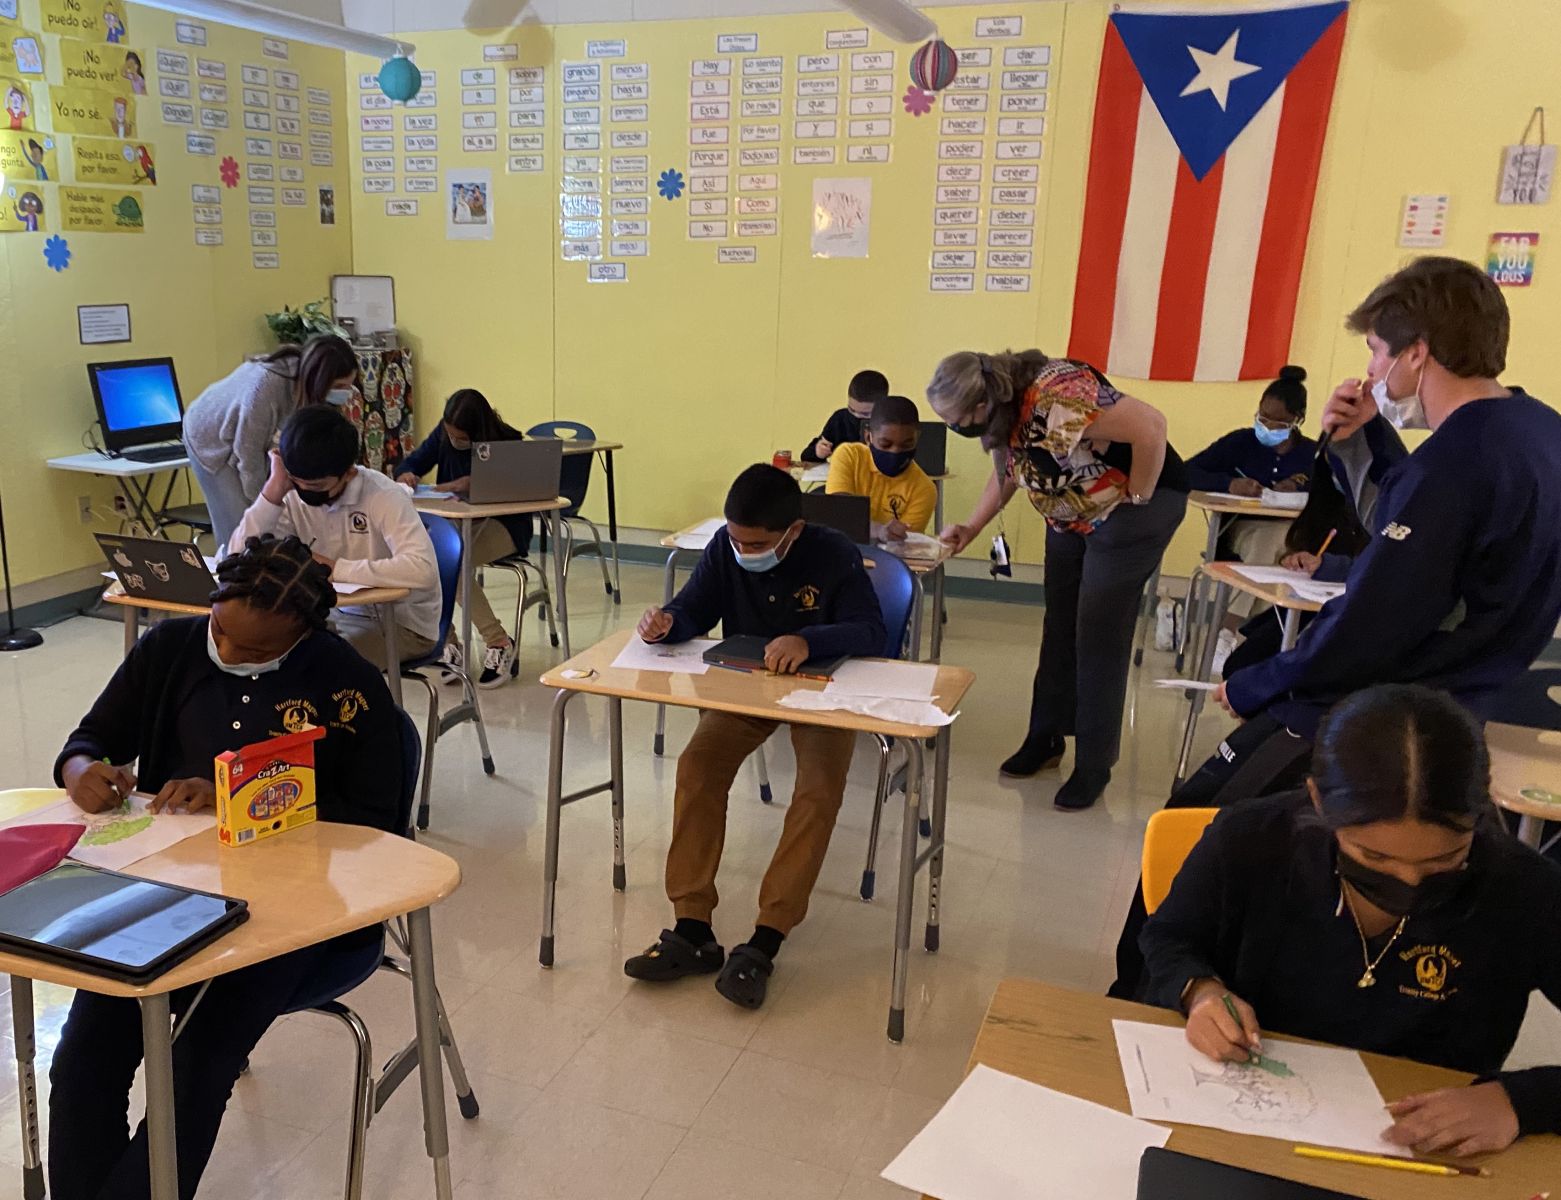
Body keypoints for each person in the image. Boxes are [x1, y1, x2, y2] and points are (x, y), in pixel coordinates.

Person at [1111, 256, 1561, 1000]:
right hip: (1456, 707)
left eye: (1378, 353)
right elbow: (1426, 532)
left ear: (1416, 350)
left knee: (1191, 835)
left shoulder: (1456, 460)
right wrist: (1370, 441)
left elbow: (1370, 626)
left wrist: (1257, 681)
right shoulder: (1535, 431)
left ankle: (1144, 1006)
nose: (1372, 370)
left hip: (1373, 713)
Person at [48, 534, 405, 1199]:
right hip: (161, 889)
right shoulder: (171, 649)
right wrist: (81, 772)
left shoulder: (345, 682)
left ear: (302, 634)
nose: (232, 655)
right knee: (82, 1059)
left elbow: (376, 819)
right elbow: (89, 739)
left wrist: (248, 802)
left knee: (195, 1069)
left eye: (259, 650)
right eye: (223, 633)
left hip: (294, 912)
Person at [1142, 684, 1561, 1154]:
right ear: (1318, 800)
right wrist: (1200, 991)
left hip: (1416, 1146)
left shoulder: (1525, 891)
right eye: (1374, 857)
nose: (1409, 881)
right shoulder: (1250, 840)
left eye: (1443, 860)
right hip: (1245, 1123)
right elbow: (1169, 937)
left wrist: (1520, 1102)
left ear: (1481, 807)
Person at [624, 464, 885, 1010]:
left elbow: (871, 630)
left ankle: (767, 938)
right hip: (750, 687)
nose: (743, 550)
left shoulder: (833, 553)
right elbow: (697, 605)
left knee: (816, 789)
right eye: (736, 538)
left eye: (757, 543)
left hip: (821, 693)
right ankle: (692, 928)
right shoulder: (726, 546)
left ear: (793, 530)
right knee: (697, 766)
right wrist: (669, 622)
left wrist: (807, 640)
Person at [928, 349, 1188, 811]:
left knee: (1098, 631)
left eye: (957, 420)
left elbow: (1151, 427)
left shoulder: (1054, 397)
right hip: (1071, 512)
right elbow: (1011, 471)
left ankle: (1094, 764)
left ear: (983, 404)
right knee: (1060, 623)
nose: (955, 429)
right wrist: (971, 527)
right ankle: (1046, 738)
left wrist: (1140, 497)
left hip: (1135, 504)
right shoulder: (1001, 411)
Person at [231, 405, 441, 670]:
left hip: (402, 624)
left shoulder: (382, 495)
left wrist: (335, 568)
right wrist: (273, 491)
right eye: (297, 482)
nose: (305, 491)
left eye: (317, 487)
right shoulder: (289, 489)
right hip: (332, 614)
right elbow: (238, 558)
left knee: (313, 667)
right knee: (254, 653)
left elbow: (422, 570)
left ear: (349, 473)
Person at [396, 388, 531, 687]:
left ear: (477, 430)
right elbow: (413, 462)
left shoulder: (508, 443)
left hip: (504, 527)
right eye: (450, 433)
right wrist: (407, 474)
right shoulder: (443, 435)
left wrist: (474, 485)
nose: (454, 440)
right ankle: (449, 644)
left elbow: (522, 494)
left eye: (461, 436)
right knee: (433, 559)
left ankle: (498, 642)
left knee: (451, 563)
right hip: (457, 527)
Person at [183, 335, 361, 548]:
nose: (346, 393)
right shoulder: (267, 385)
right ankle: (230, 574)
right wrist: (263, 503)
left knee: (272, 521)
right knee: (241, 528)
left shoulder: (311, 387)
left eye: (348, 386)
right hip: (209, 437)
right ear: (320, 379)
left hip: (249, 438)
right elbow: (248, 454)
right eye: (340, 386)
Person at [825, 393, 937, 541]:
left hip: (887, 560)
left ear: (917, 439)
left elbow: (904, 545)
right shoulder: (849, 456)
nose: (895, 451)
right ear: (868, 438)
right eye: (885, 444)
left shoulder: (924, 489)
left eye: (906, 445)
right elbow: (839, 513)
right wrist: (878, 530)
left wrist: (892, 535)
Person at [801, 368, 888, 463]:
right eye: (851, 409)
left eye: (865, 414)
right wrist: (818, 452)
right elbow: (806, 456)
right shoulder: (840, 419)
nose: (856, 416)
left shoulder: (892, 422)